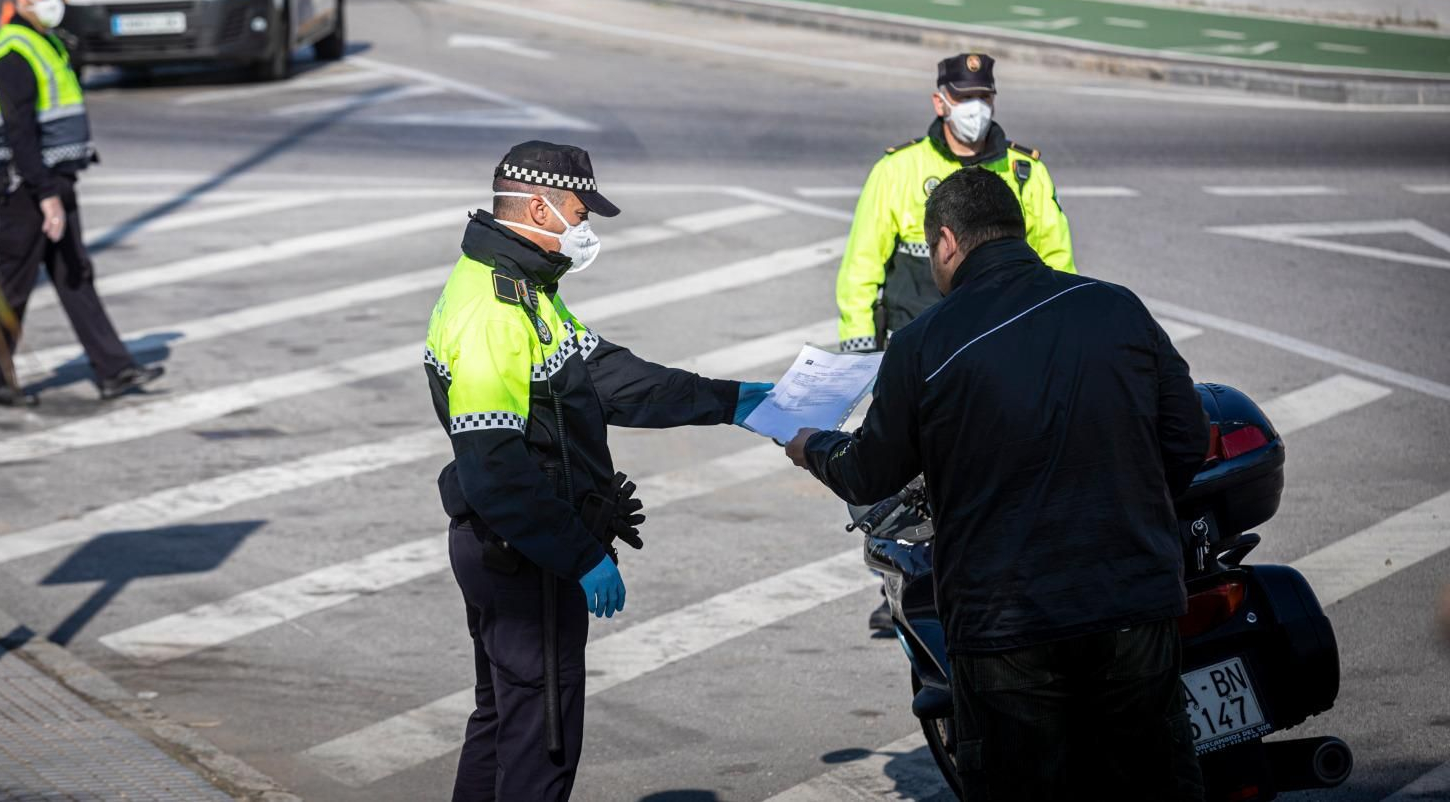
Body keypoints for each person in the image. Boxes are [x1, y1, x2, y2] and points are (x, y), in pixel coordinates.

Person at [784, 168, 1209, 801]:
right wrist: (1127, 513)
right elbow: (1188, 438)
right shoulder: (1115, 306)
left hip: (1005, 622)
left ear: (947, 242)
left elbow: (869, 472)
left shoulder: (923, 344)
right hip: (1131, 600)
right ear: (1018, 229)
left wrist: (809, 444)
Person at [425, 140, 771, 802]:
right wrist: (581, 557)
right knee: (540, 746)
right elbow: (496, 467)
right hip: (526, 561)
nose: (585, 230)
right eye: (579, 213)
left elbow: (610, 377)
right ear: (536, 207)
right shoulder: (493, 311)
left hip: (515, 550)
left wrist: (731, 400)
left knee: (503, 727)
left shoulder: (527, 289)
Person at [835, 51, 1076, 634]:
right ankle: (899, 581)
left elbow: (1057, 262)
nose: (975, 109)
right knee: (905, 478)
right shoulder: (897, 171)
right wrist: (859, 348)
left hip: (1002, 354)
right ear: (939, 100)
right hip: (918, 356)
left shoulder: (1024, 173)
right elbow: (862, 262)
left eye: (985, 97)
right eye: (964, 97)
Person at [0, 0, 164, 407]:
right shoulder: (13, 53)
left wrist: (55, 190)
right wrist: (46, 197)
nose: (57, 0)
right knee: (13, 283)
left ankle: (113, 370)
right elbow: (20, 135)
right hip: (25, 187)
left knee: (74, 274)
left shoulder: (45, 42)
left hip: (54, 178)